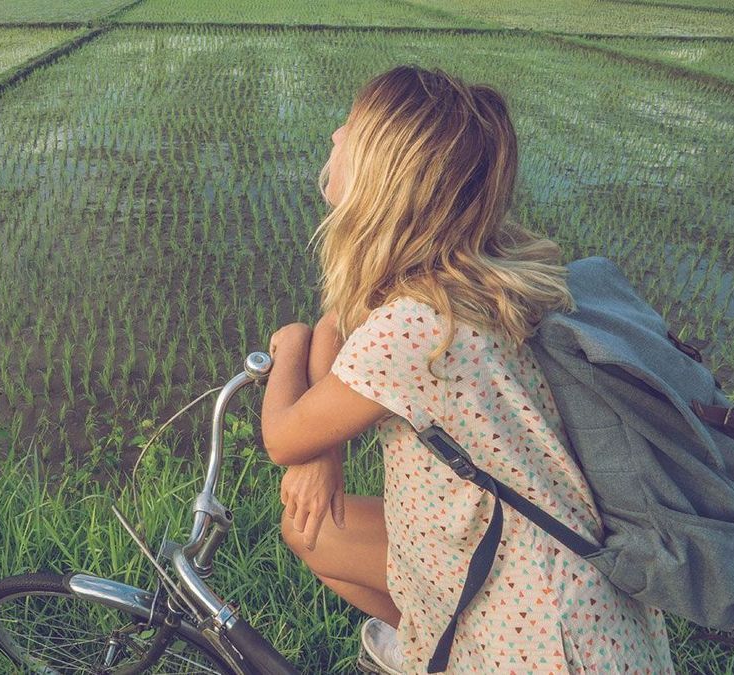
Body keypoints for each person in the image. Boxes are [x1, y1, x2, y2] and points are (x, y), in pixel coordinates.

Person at [258, 65, 676, 673]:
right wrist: (326, 450)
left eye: (349, 127)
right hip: (530, 559)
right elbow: (341, 326)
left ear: (381, 171)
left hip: (538, 629)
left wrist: (288, 344)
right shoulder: (467, 266)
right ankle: (436, 648)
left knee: (316, 527)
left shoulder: (416, 329)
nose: (334, 135)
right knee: (314, 531)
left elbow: (282, 433)